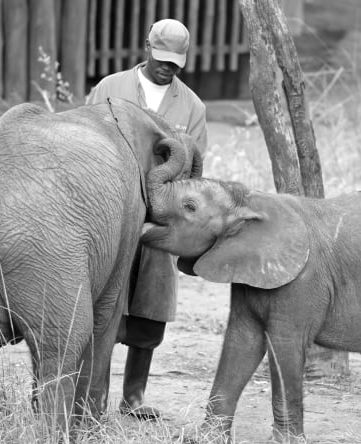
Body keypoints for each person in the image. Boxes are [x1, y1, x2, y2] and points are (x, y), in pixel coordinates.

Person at [86, 18, 208, 419]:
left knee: (151, 301)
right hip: (108, 210)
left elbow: (193, 173)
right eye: (161, 59)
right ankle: (92, 394)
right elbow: (83, 143)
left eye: (175, 62)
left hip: (158, 214)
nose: (166, 68)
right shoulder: (110, 88)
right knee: (102, 299)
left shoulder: (192, 106)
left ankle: (134, 397)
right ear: (146, 48)